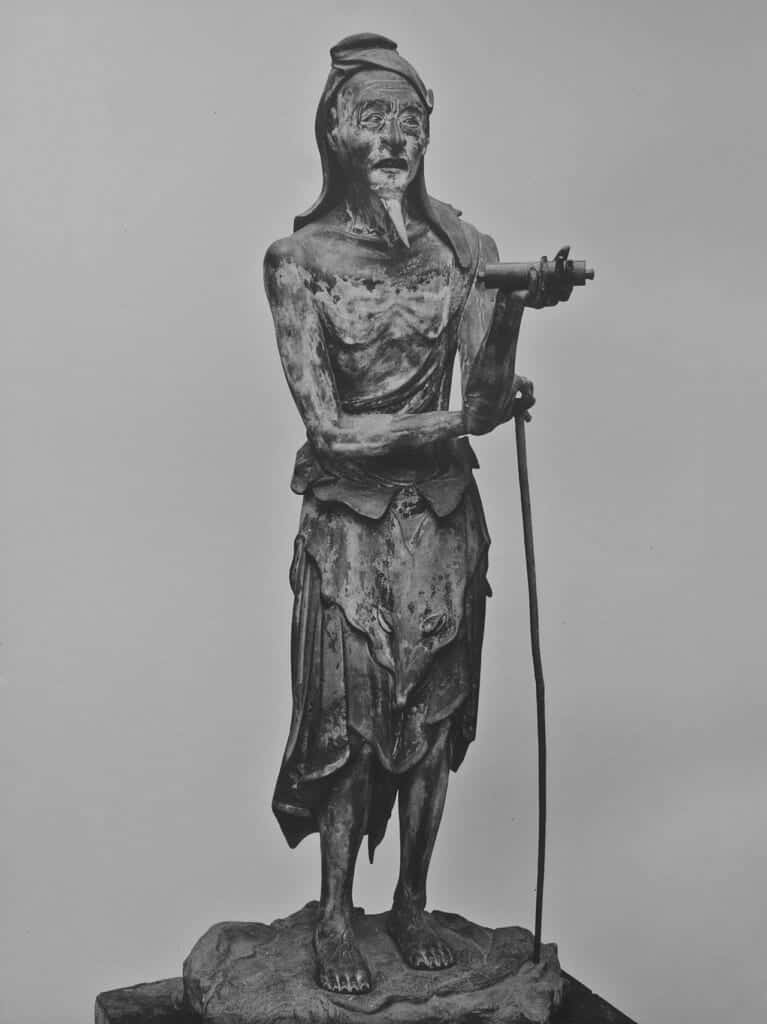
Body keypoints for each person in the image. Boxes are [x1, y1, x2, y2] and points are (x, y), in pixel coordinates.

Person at [264, 33, 568, 995]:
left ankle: (410, 899)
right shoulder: (299, 260)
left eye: (409, 118)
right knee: (349, 722)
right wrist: (456, 422)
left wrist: (513, 303)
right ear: (334, 130)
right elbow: (327, 428)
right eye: (373, 117)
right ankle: (334, 915)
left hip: (441, 515)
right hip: (349, 522)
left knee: (433, 718)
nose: (393, 136)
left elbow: (484, 389)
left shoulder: (462, 250)